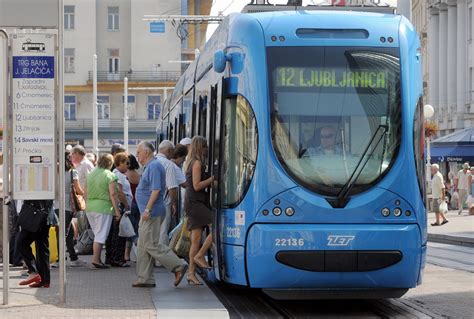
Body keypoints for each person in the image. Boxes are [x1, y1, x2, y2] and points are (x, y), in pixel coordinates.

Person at [133, 141, 187, 288]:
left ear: (146, 152)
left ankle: (178, 265)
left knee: (151, 245)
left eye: (138, 153)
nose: (137, 156)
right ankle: (145, 278)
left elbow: (156, 190)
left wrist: (147, 210)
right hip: (148, 212)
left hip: (151, 213)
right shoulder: (151, 166)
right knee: (143, 247)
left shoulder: (155, 166)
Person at [184, 136, 215, 286]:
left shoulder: (190, 162)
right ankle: (200, 255)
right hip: (195, 202)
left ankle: (191, 274)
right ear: (199, 147)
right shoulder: (197, 163)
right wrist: (213, 179)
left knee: (195, 240)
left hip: (193, 202)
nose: (206, 149)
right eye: (205, 146)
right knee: (215, 227)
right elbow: (197, 185)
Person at [85, 153, 121, 269]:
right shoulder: (110, 175)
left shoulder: (90, 175)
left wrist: (88, 205)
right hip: (104, 207)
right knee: (101, 235)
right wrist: (117, 211)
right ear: (110, 163)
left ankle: (98, 259)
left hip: (90, 207)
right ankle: (96, 260)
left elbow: (85, 193)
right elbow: (113, 194)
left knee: (97, 234)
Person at [16, 200, 54, 288]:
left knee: (22, 242)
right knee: (42, 246)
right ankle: (45, 280)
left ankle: (33, 271)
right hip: (45, 213)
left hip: (35, 213)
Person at [58, 152, 87, 267]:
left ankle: (73, 258)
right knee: (64, 233)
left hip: (54, 206)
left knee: (67, 233)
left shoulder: (53, 171)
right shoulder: (72, 172)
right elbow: (78, 190)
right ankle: (59, 260)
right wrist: (85, 193)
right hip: (67, 206)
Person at [105, 152, 133, 267]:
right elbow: (120, 192)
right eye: (127, 163)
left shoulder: (119, 174)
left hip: (121, 207)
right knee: (119, 234)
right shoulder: (117, 175)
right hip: (121, 207)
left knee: (117, 233)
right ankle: (117, 258)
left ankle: (114, 258)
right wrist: (126, 205)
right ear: (120, 163)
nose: (128, 165)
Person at [155, 140, 179, 247]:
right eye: (172, 151)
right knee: (163, 230)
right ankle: (161, 258)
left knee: (153, 230)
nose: (173, 154)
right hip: (164, 202)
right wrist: (174, 203)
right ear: (168, 150)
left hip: (150, 202)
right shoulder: (169, 165)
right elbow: (172, 187)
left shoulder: (152, 161)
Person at [124, 154, 141, 262]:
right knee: (134, 229)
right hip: (138, 203)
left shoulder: (127, 174)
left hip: (131, 203)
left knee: (130, 230)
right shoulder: (137, 173)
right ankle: (128, 254)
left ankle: (128, 254)